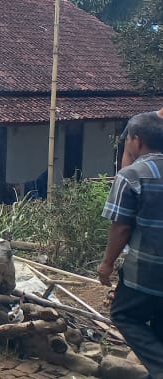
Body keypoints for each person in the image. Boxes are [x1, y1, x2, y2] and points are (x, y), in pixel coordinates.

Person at [98, 111, 163, 379]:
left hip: (147, 272)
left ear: (136, 140)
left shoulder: (133, 175)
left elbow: (121, 226)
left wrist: (106, 264)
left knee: (124, 315)